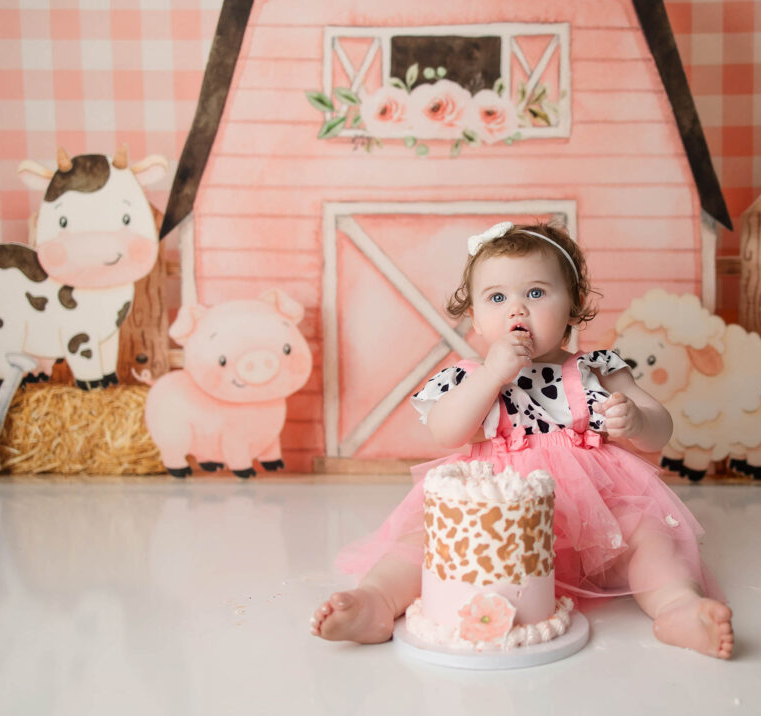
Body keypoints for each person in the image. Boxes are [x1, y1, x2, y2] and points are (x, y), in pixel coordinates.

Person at [311, 222, 733, 658]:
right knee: (424, 542)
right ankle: (375, 603)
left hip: (594, 513)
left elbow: (660, 428)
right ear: (474, 318)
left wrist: (638, 422)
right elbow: (445, 433)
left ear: (572, 307)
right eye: (497, 298)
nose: (517, 310)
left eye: (535, 293)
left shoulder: (599, 368)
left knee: (648, 537)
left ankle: (679, 608)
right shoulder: (469, 376)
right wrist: (493, 374)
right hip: (494, 509)